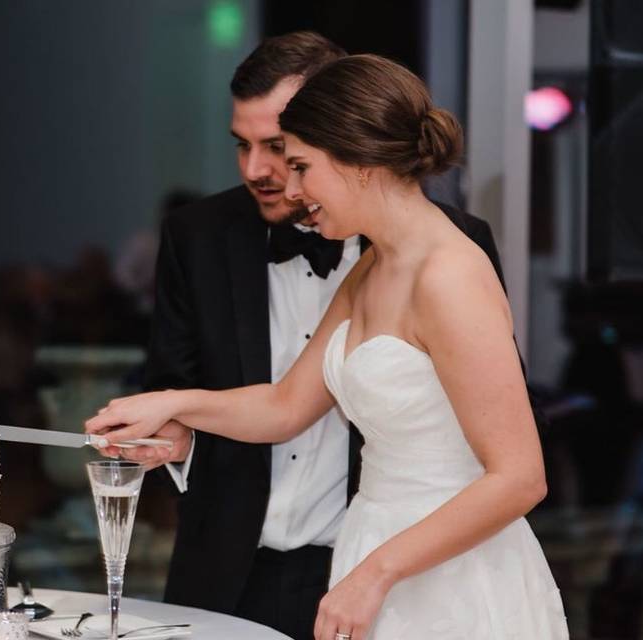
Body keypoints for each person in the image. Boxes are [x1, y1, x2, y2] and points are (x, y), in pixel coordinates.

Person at [89, 54, 569, 640]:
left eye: (301, 167)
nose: (291, 189)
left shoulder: (449, 274)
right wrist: (170, 403)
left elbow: (521, 478)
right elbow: (285, 406)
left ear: (358, 163)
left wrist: (377, 573)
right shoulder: (370, 270)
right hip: (370, 548)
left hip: (446, 573)